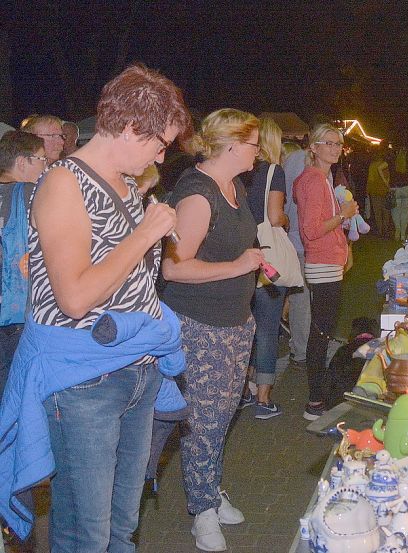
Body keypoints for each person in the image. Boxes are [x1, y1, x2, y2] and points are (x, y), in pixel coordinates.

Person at [0, 64, 189, 553]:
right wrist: (144, 235)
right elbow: (76, 297)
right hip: (86, 383)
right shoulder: (64, 183)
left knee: (117, 526)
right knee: (90, 532)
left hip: (135, 370)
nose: (161, 156)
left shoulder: (127, 185)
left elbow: (130, 275)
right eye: (158, 143)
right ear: (129, 128)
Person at [159, 108, 263, 551]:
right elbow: (173, 268)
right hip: (201, 327)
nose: (259, 151)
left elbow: (236, 246)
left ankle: (209, 490)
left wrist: (254, 259)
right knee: (203, 421)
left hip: (236, 321)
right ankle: (200, 511)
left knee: (222, 416)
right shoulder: (198, 195)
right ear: (233, 145)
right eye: (255, 142)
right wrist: (239, 265)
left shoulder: (234, 185)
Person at [293, 124, 358, 421]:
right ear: (314, 147)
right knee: (320, 333)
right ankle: (315, 402)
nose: (335, 148)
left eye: (338, 144)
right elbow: (311, 230)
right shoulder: (315, 181)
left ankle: (316, 398)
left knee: (322, 330)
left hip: (327, 262)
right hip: (321, 263)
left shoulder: (321, 178)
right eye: (328, 143)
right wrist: (342, 215)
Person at [240, 117, 289, 419]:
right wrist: (287, 219)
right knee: (268, 328)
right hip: (268, 257)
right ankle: (264, 397)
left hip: (242, 255)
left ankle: (242, 389)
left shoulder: (241, 174)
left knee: (246, 327)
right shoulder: (275, 171)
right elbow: (274, 216)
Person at [0, 132, 45, 396]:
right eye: (41, 159)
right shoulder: (30, 193)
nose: (45, 166)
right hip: (20, 316)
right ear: (22, 162)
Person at [282, 142, 311, 369]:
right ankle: (301, 349)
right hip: (301, 240)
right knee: (302, 298)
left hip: (298, 239)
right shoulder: (301, 162)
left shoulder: (293, 161)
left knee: (302, 298)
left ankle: (302, 346)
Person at [390, 144, 408, 242]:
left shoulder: (393, 161)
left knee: (396, 212)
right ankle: (403, 235)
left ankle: (397, 231)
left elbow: (380, 168)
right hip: (407, 188)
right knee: (404, 213)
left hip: (395, 188)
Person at [366, 147, 391, 238]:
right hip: (384, 190)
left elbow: (370, 179)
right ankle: (386, 230)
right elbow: (388, 177)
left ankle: (380, 230)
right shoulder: (384, 165)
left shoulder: (372, 165)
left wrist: (367, 190)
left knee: (377, 212)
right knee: (386, 211)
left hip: (374, 190)